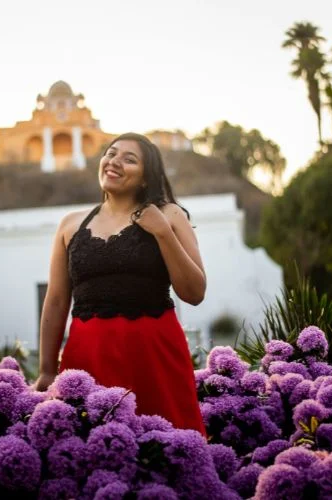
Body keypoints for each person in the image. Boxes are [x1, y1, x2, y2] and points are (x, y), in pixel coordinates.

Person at [32, 132, 207, 435]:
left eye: (129, 159)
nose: (114, 162)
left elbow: (194, 292)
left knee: (169, 447)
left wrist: (163, 232)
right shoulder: (71, 224)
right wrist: (48, 370)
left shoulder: (170, 215)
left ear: (145, 177)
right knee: (92, 451)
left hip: (154, 356)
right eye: (111, 154)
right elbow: (57, 301)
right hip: (87, 357)